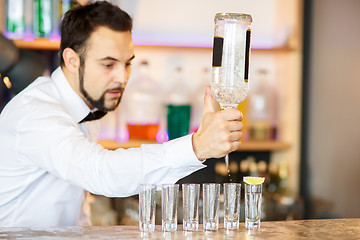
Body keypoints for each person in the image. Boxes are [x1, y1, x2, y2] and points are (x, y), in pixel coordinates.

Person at [0, 1, 243, 227]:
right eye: (108, 64)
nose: (122, 77)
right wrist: (196, 146)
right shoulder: (36, 114)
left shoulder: (86, 110)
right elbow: (101, 172)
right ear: (72, 60)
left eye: (127, 63)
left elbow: (77, 207)